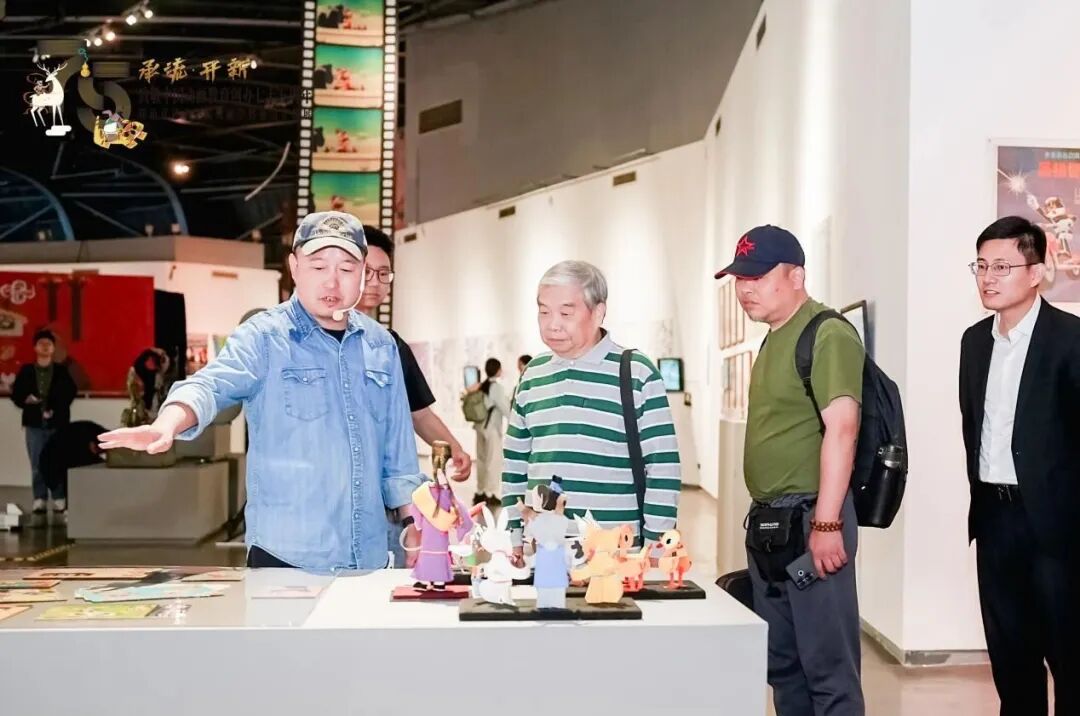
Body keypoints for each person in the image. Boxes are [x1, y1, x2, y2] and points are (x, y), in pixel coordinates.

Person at [99, 211, 425, 572]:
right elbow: (210, 384)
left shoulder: (381, 344)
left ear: (363, 271)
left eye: (346, 269)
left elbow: (399, 451)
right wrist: (167, 423)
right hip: (287, 555)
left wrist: (413, 521)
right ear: (294, 267)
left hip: (368, 554)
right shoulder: (264, 337)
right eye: (318, 267)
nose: (332, 282)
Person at [718, 225, 865, 716]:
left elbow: (842, 429)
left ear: (796, 275)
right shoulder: (773, 340)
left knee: (828, 669)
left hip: (811, 522)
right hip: (770, 526)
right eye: (740, 279)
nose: (745, 289)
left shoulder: (826, 333)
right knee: (783, 666)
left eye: (758, 277)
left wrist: (826, 524)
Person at [959, 216, 1080, 716]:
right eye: (981, 266)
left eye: (1002, 267)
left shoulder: (1070, 339)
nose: (988, 278)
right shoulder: (974, 342)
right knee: (1011, 662)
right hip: (994, 518)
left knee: (1070, 659)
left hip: (1057, 526)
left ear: (1036, 272)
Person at [502, 260, 681, 552]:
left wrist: (656, 550)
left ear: (598, 313)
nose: (552, 324)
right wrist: (515, 535)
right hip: (544, 547)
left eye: (565, 313)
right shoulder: (533, 374)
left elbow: (663, 468)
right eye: (544, 312)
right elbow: (514, 464)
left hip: (616, 553)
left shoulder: (636, 373)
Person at [358, 225, 473, 566]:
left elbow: (418, 412)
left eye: (383, 274)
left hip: (388, 500)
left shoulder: (391, 346)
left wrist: (456, 449)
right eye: (367, 272)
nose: (375, 282)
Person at [10, 329, 78, 526]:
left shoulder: (61, 371)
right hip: (34, 424)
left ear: (54, 348)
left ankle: (58, 497)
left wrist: (54, 408)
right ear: (35, 347)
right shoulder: (27, 371)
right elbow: (17, 394)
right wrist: (26, 399)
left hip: (57, 423)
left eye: (49, 344)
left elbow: (69, 392)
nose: (45, 347)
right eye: (41, 344)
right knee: (37, 462)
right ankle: (39, 498)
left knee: (56, 461)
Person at [39, 421, 108, 509]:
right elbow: (66, 473)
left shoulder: (89, 434)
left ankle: (64, 503)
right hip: (54, 463)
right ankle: (61, 501)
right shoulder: (70, 446)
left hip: (61, 459)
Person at [473, 358, 511, 506]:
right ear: (497, 370)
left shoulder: (482, 386)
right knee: (493, 461)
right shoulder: (497, 388)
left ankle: (480, 491)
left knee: (481, 460)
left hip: (479, 428)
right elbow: (506, 408)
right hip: (492, 429)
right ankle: (491, 494)